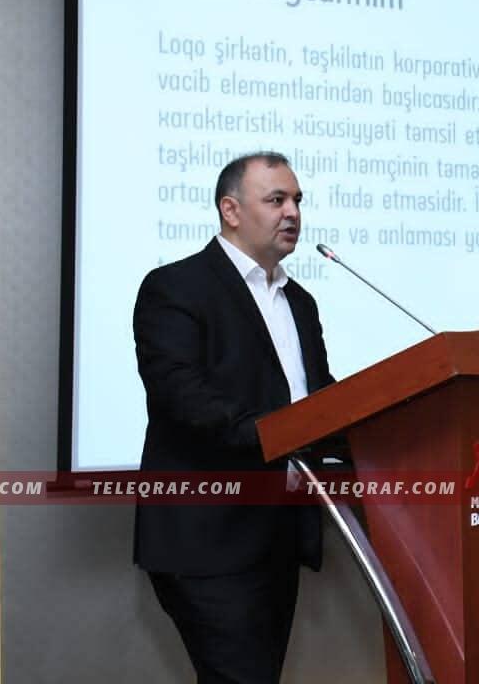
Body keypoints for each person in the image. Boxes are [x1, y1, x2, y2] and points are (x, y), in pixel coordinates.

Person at [133, 151, 334, 683]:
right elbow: (183, 398)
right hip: (207, 538)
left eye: (297, 200)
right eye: (276, 199)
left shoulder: (301, 302)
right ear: (231, 210)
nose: (293, 212)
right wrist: (283, 433)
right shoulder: (176, 287)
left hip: (279, 534)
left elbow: (322, 400)